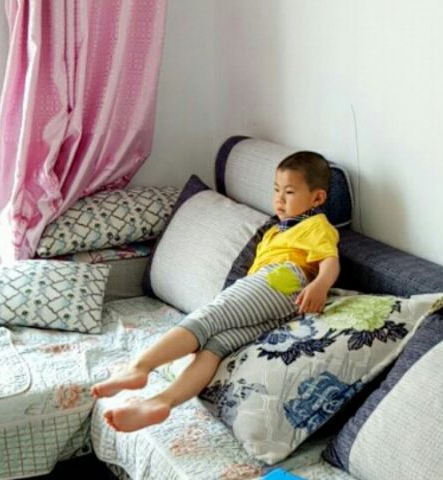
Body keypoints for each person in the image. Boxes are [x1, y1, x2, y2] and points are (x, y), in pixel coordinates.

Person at [91, 151, 340, 431]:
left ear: (317, 198)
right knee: (215, 346)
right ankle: (162, 402)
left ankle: (140, 367)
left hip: (280, 279)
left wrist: (320, 284)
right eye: (276, 190)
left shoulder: (315, 225)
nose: (279, 199)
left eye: (290, 192)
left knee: (208, 318)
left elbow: (330, 260)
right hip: (283, 304)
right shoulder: (275, 230)